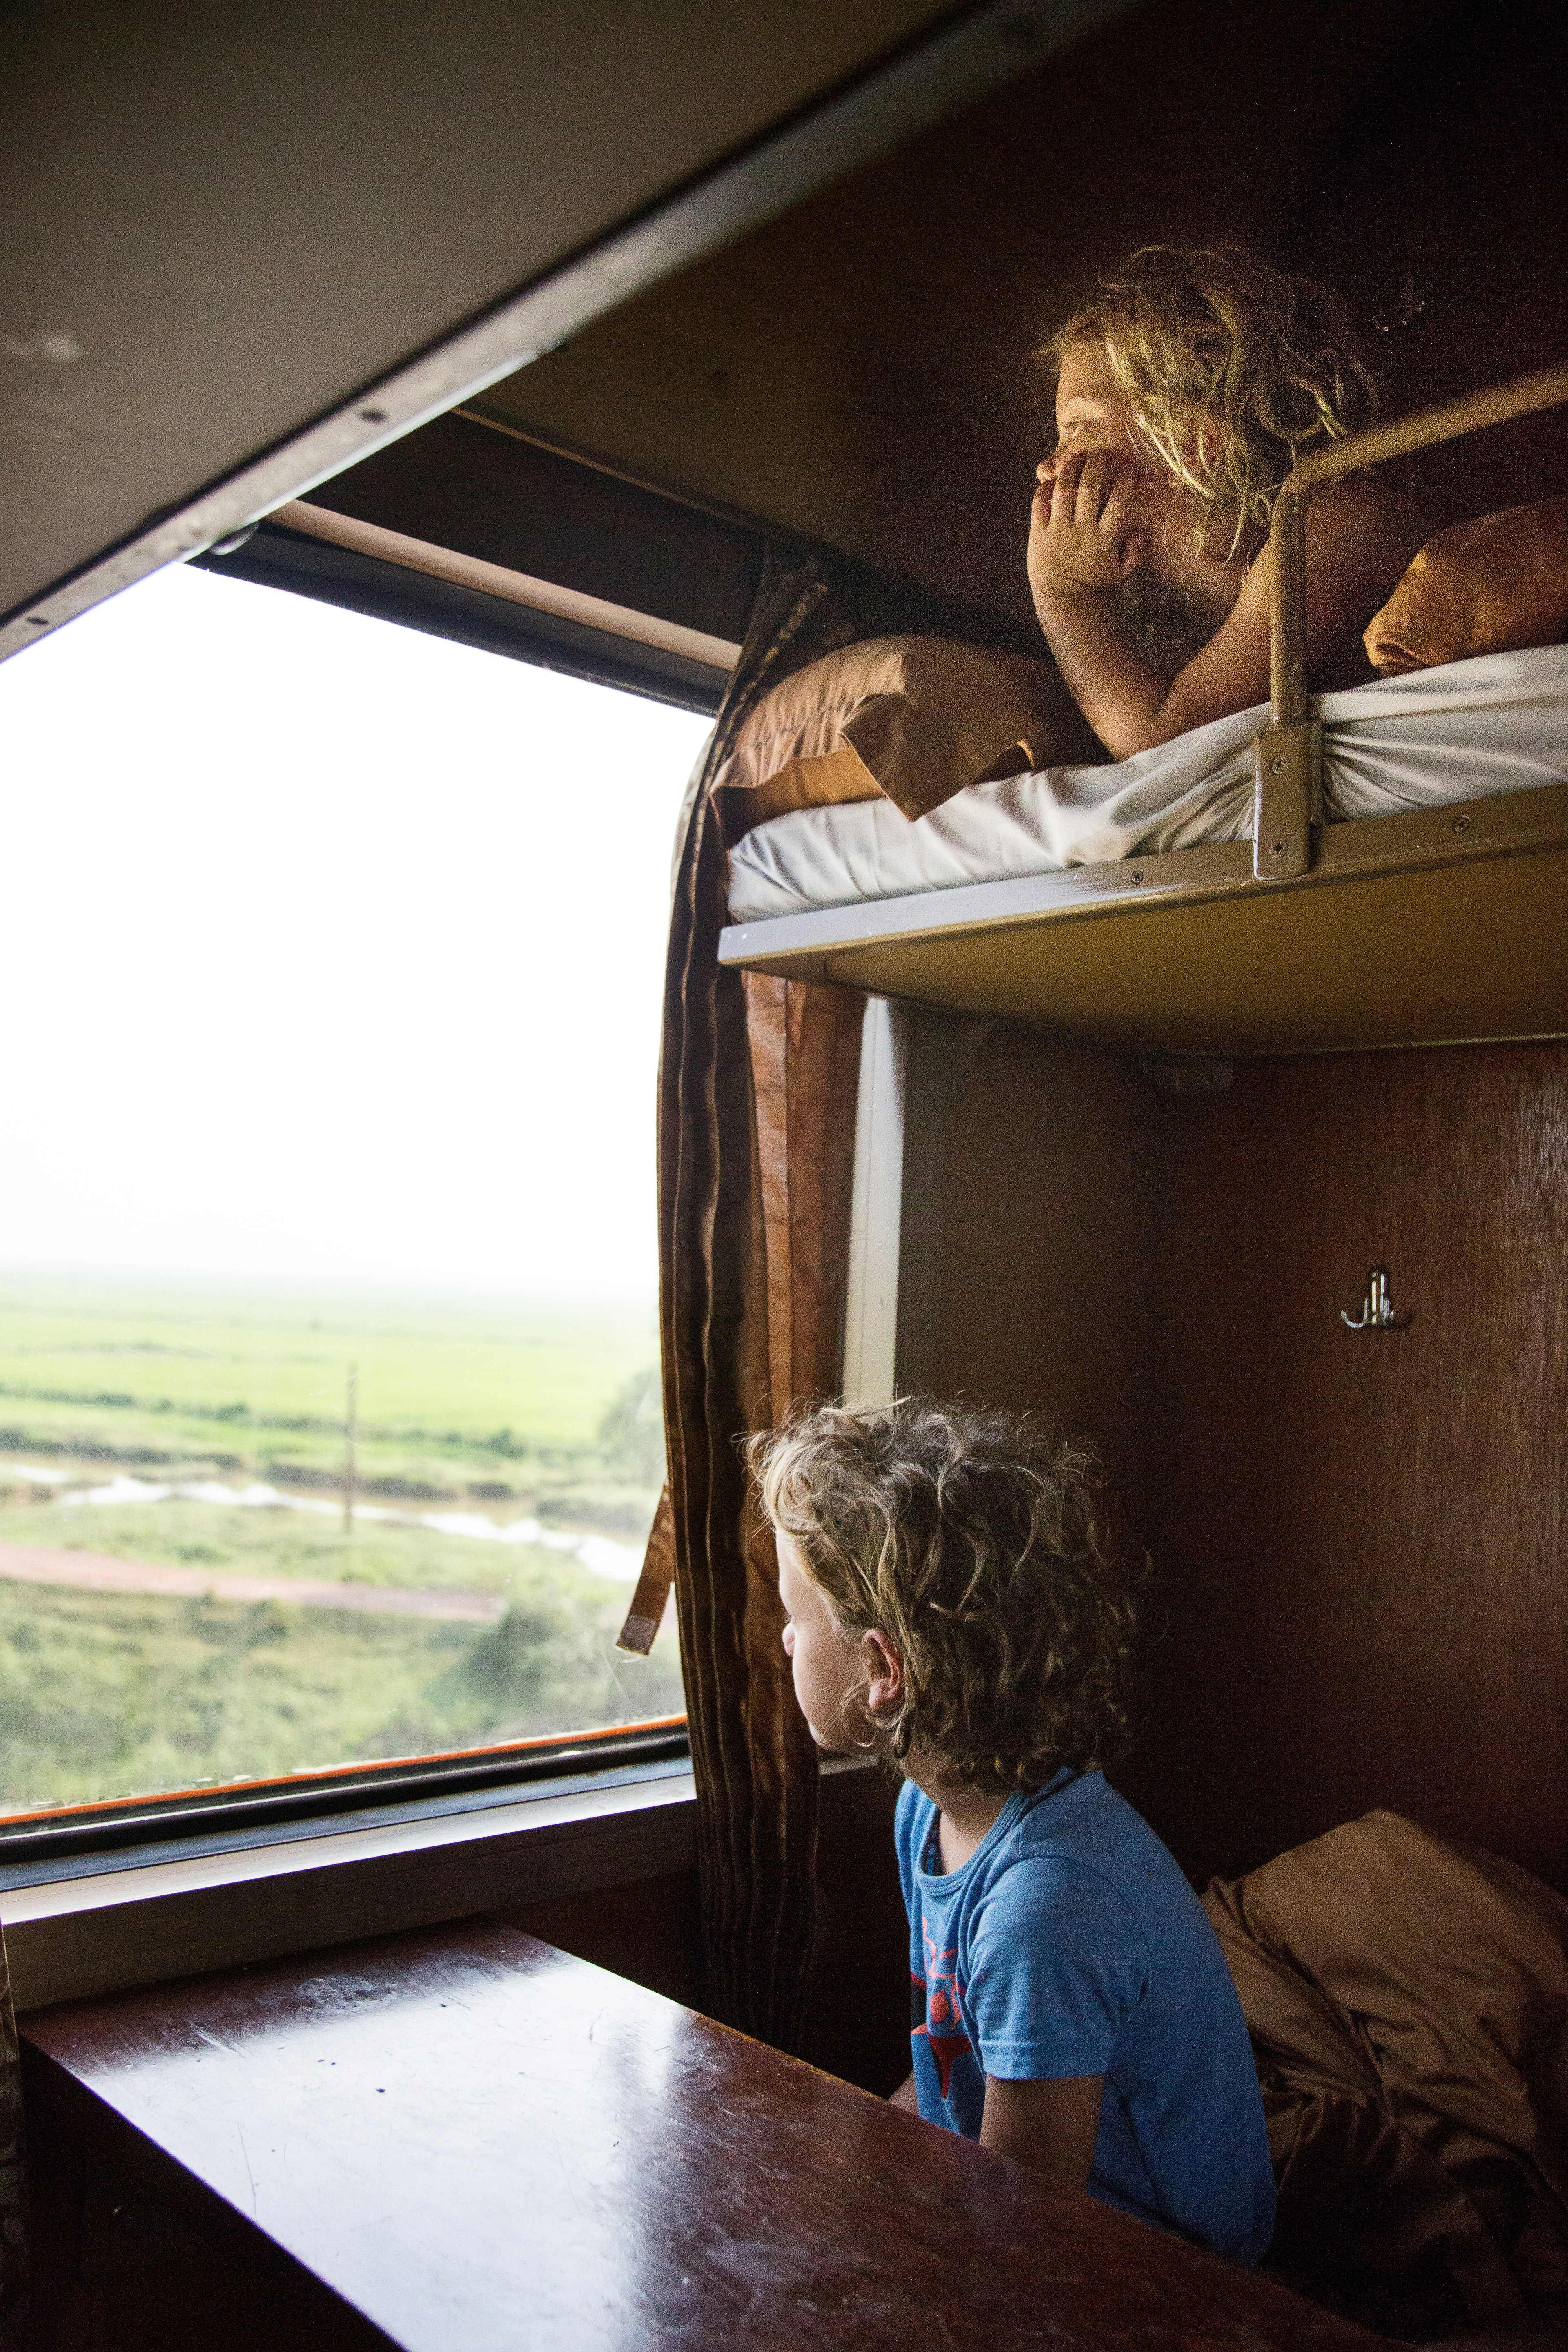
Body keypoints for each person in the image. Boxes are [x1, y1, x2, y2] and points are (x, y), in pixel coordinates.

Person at [748, 1397, 1276, 2266]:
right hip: (1025, 2215)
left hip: (1155, 2288)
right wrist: (844, 2167)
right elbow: (951, 2064)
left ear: (883, 1669)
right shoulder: (931, 1812)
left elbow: (1022, 2231)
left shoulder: (1047, 1910)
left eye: (795, 1618)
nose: (783, 1638)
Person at [1028, 246, 1425, 757]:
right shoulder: (1149, 591)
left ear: (1191, 445)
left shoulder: (1335, 524)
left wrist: (1060, 592)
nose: (1047, 465)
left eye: (1076, 426)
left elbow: (1164, 745)